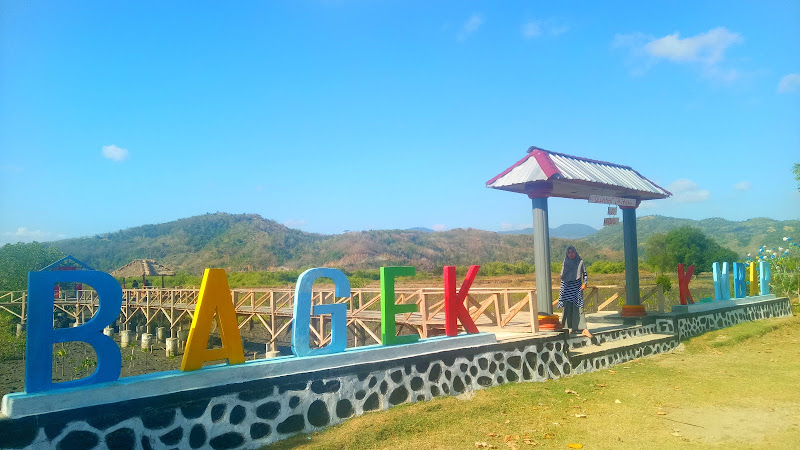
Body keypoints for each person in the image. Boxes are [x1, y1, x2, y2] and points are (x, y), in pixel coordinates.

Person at [557, 246, 593, 339]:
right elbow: (562, 277)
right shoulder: (565, 263)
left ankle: (584, 329)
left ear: (575, 252)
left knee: (579, 307)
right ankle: (570, 328)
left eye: (572, 252)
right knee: (567, 308)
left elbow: (585, 274)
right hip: (566, 288)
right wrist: (562, 291)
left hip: (577, 288)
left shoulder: (580, 262)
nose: (571, 254)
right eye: (569, 252)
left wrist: (585, 283)